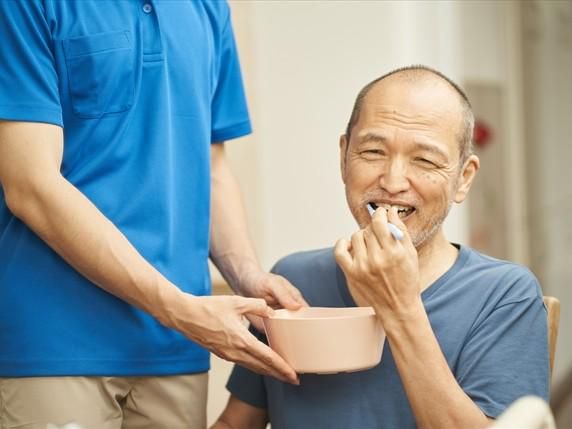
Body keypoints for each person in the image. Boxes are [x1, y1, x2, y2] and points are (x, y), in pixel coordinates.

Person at [0, 1, 306, 428]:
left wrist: (247, 275)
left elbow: (211, 166)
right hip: (57, 340)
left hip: (176, 345)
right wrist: (179, 309)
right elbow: (30, 185)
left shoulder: (209, 9)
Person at [212, 65, 549, 429]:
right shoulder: (292, 281)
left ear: (463, 178)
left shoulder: (503, 294)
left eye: (424, 160)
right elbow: (236, 422)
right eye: (373, 151)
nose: (391, 181)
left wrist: (400, 306)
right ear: (344, 157)